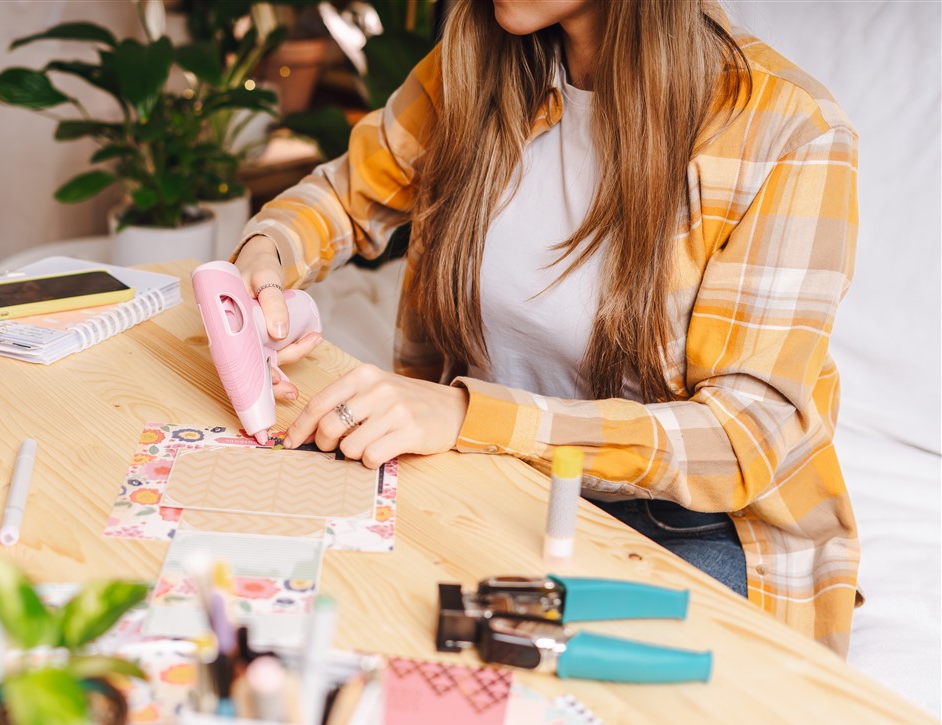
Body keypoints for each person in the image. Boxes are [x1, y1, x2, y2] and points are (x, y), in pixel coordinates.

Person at [231, 0, 860, 655]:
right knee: (334, 606)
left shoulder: (792, 131)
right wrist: (266, 255)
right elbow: (341, 195)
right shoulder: (472, 63)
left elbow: (744, 437)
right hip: (490, 476)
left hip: (686, 523)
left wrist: (468, 415)